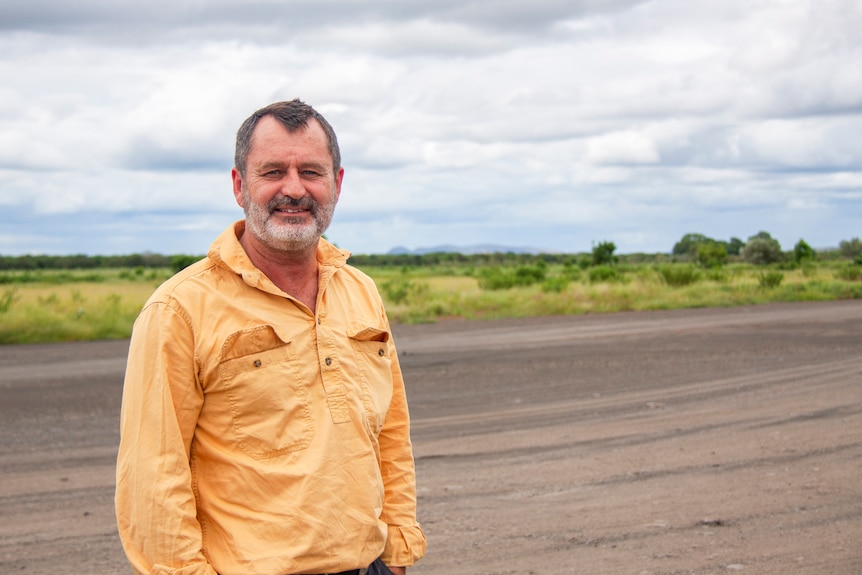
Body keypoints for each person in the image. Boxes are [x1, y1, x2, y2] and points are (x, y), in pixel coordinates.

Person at [115, 99, 426, 575]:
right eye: (273, 171)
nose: (295, 189)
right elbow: (153, 479)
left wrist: (398, 556)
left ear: (337, 184)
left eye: (312, 172)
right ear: (240, 185)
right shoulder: (178, 309)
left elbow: (390, 438)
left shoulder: (360, 292)